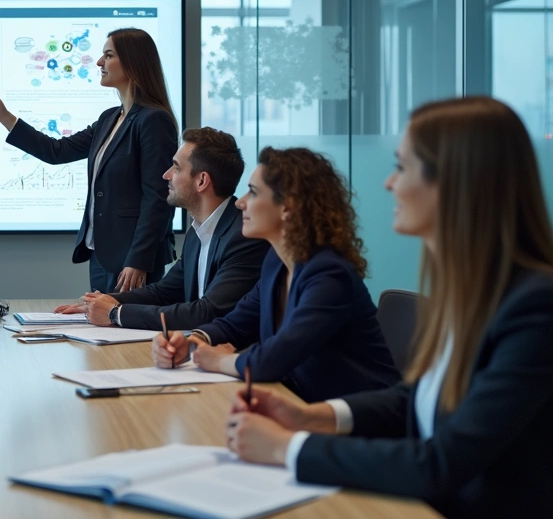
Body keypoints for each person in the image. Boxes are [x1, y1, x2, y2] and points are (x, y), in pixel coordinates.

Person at [224, 98, 553, 517]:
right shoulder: (473, 292)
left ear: (453, 181)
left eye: (401, 166)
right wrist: (310, 417)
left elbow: (441, 463)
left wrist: (288, 447)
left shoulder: (538, 310)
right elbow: (419, 399)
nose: (389, 183)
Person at [153, 147, 400, 402]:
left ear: (287, 207)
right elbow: (234, 323)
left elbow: (272, 359)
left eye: (253, 192)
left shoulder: (329, 275)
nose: (240, 202)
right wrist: (192, 342)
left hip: (359, 415)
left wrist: (218, 360)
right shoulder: (276, 262)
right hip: (299, 403)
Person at [0, 28, 178, 293]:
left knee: (124, 322)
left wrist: (139, 260)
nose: (99, 62)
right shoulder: (109, 118)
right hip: (101, 254)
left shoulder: (153, 120)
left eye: (108, 55)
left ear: (132, 62)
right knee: (101, 320)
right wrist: (5, 118)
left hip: (132, 262)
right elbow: (57, 151)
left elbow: (158, 197)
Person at [54, 127, 270, 330]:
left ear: (201, 181)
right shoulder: (199, 231)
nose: (166, 175)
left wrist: (115, 313)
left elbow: (208, 312)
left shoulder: (243, 236)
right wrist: (103, 301)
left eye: (176, 167)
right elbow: (165, 292)